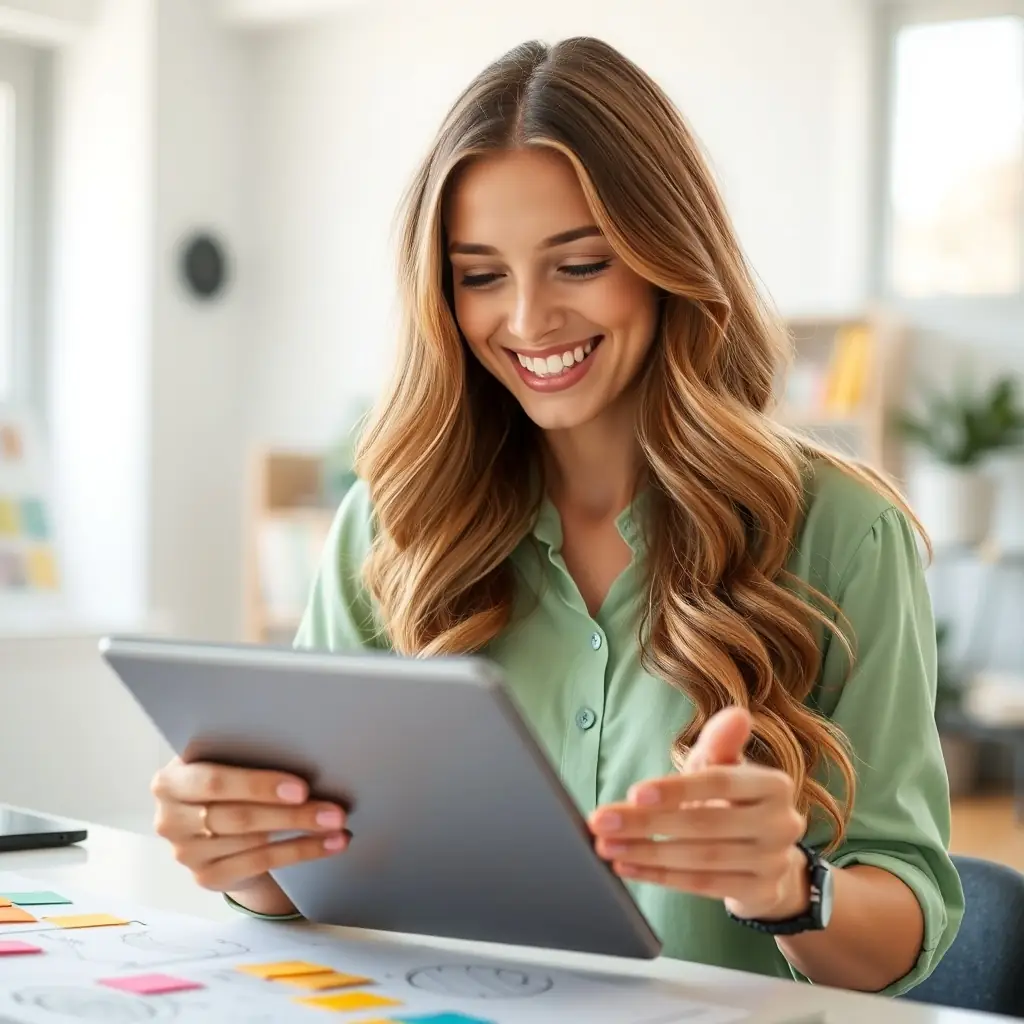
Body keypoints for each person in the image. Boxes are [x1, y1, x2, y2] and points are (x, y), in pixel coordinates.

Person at [150, 36, 963, 995]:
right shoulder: (392, 523)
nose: (529, 320)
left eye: (579, 264)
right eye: (481, 275)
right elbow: (316, 887)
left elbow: (909, 920)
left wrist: (789, 886)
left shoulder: (839, 530)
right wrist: (244, 850)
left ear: (668, 258)